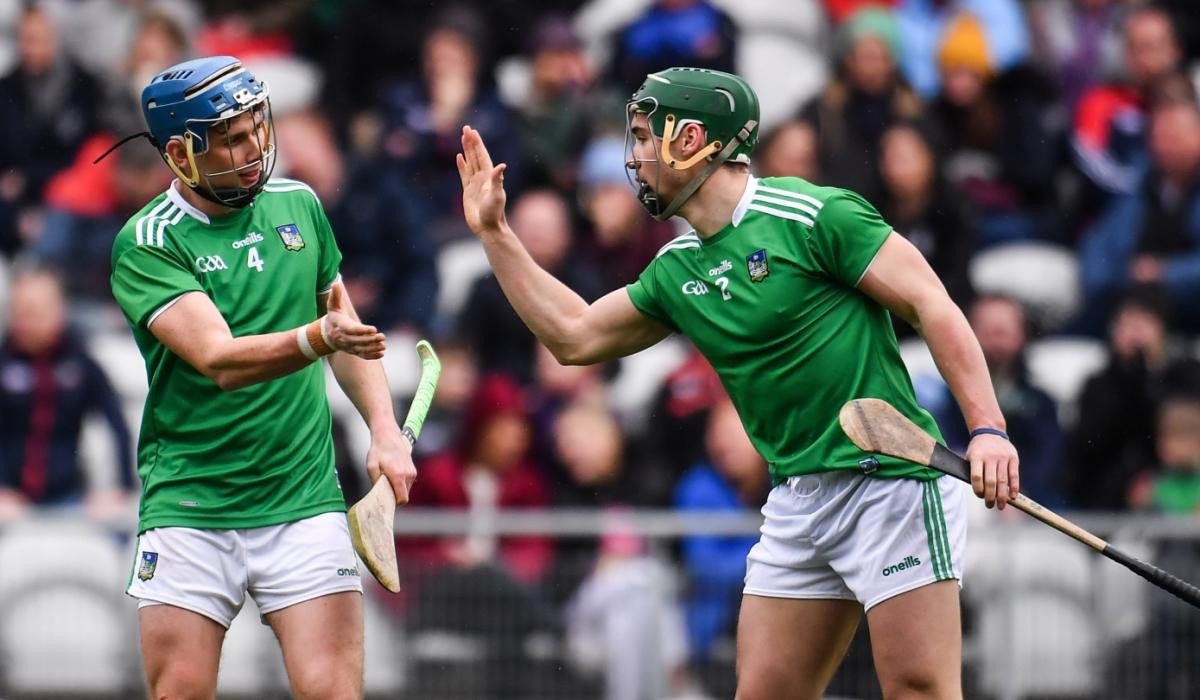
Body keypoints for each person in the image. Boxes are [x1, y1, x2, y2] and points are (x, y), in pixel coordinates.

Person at [457, 66, 1019, 698]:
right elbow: (574, 336)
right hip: (799, 500)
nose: (635, 156)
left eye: (645, 136)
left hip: (890, 485)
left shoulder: (813, 216)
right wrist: (496, 235)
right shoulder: (676, 269)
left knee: (919, 689)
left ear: (691, 139)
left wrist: (988, 428)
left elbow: (931, 304)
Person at [109, 56, 415, 699]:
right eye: (232, 138)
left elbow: (348, 338)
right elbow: (219, 360)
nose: (254, 150)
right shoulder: (148, 241)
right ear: (180, 153)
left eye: (257, 128)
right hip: (191, 503)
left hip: (302, 500)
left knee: (334, 692)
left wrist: (385, 431)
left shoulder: (299, 206)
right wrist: (316, 337)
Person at [0, 264, 134, 518]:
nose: (26, 321)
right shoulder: (4, 362)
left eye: (36, 312)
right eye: (19, 311)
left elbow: (116, 424)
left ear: (59, 309)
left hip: (69, 498)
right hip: (9, 503)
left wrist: (122, 489)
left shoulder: (81, 363)